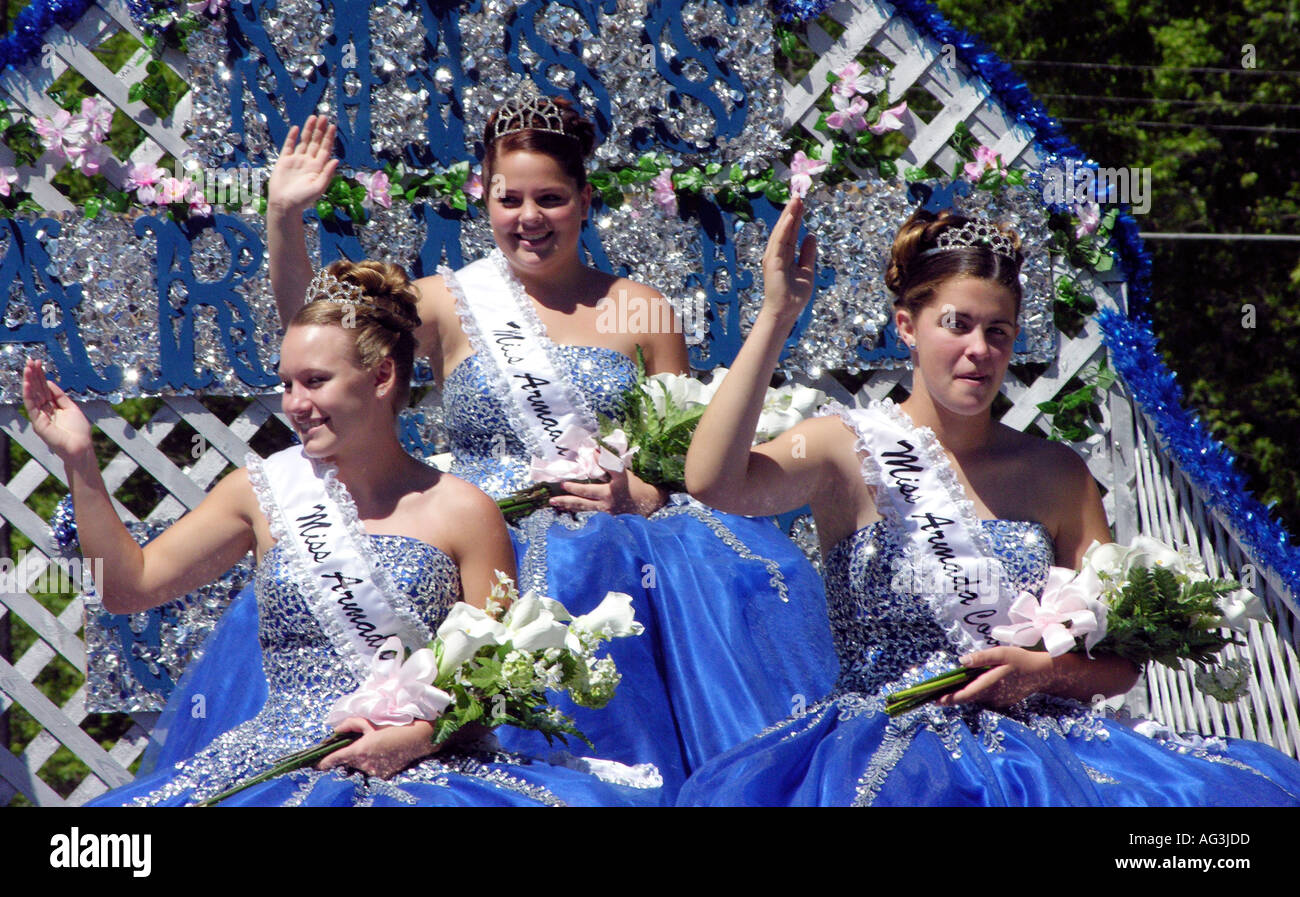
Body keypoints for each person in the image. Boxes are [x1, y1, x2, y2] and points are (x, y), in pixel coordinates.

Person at [261, 91, 837, 798]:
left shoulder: (643, 308)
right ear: (484, 197)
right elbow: (318, 338)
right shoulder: (442, 301)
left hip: (614, 561)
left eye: (551, 198)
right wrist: (285, 217)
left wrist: (644, 494)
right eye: (510, 198)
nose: (529, 218)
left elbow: (693, 464)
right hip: (477, 553)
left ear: (586, 200)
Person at [677, 200, 1300, 806]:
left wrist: (1044, 673)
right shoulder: (845, 448)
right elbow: (713, 482)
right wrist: (776, 317)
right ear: (906, 327)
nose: (980, 349)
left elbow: (1118, 665)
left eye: (997, 331)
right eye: (957, 324)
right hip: (887, 758)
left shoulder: (1055, 472)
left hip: (1047, 757)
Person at [28, 260, 657, 806]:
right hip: (275, 765)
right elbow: (128, 588)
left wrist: (419, 737)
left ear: (382, 378)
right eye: (286, 383)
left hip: (432, 773)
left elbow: (499, 676)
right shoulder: (260, 492)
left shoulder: (466, 512)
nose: (295, 403)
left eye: (315, 381)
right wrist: (80, 460)